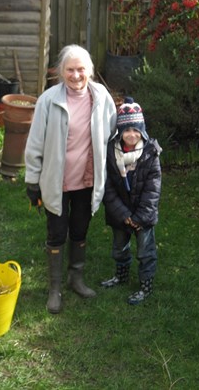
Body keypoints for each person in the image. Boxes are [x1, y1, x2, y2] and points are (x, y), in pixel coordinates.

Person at [24, 44, 117, 314]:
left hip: (87, 181)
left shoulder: (101, 97)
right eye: (70, 70)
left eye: (81, 69)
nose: (76, 75)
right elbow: (35, 143)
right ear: (61, 72)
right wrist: (32, 180)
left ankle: (75, 278)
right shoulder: (48, 100)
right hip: (57, 182)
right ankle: (55, 289)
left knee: (80, 230)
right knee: (56, 233)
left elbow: (111, 133)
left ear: (89, 70)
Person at [100, 97, 162, 305]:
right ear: (120, 131)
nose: (131, 135)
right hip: (121, 215)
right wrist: (124, 215)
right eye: (127, 130)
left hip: (143, 216)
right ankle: (121, 275)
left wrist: (139, 217)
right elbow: (107, 188)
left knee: (146, 252)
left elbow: (152, 190)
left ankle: (146, 285)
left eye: (136, 130)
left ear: (142, 131)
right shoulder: (111, 152)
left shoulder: (150, 153)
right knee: (119, 247)